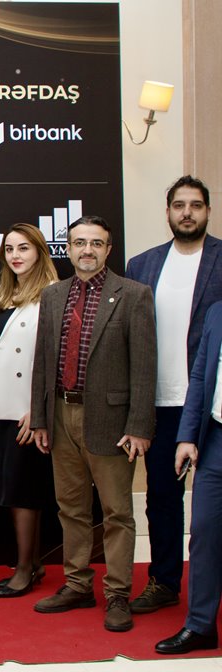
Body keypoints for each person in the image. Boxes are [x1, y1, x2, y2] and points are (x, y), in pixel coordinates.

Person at [30, 215, 156, 633]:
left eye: (96, 243)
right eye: (80, 243)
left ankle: (118, 593)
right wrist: (41, 418)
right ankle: (77, 584)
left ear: (108, 249)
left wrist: (140, 426)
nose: (87, 250)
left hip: (112, 421)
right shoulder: (53, 296)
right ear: (68, 249)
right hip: (60, 415)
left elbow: (144, 367)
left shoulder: (134, 295)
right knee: (71, 508)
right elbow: (43, 362)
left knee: (117, 512)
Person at [125, 175, 219, 615]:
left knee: (214, 501)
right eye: (179, 205)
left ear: (207, 212)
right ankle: (164, 581)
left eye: (195, 205)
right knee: (162, 497)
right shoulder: (142, 265)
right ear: (167, 212)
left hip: (213, 404)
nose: (187, 213)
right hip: (160, 402)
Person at [0, 223, 57, 598]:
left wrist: (37, 410)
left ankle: (24, 569)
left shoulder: (52, 295)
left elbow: (54, 360)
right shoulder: (3, 297)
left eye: (23, 248)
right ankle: (33, 562)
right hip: (1, 409)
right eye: (9, 249)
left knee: (24, 492)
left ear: (39, 251)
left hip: (27, 414)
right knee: (14, 490)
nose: (15, 255)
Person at [154, 301, 222, 655]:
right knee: (205, 532)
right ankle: (200, 625)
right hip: (216, 440)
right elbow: (200, 377)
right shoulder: (216, 313)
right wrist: (187, 436)